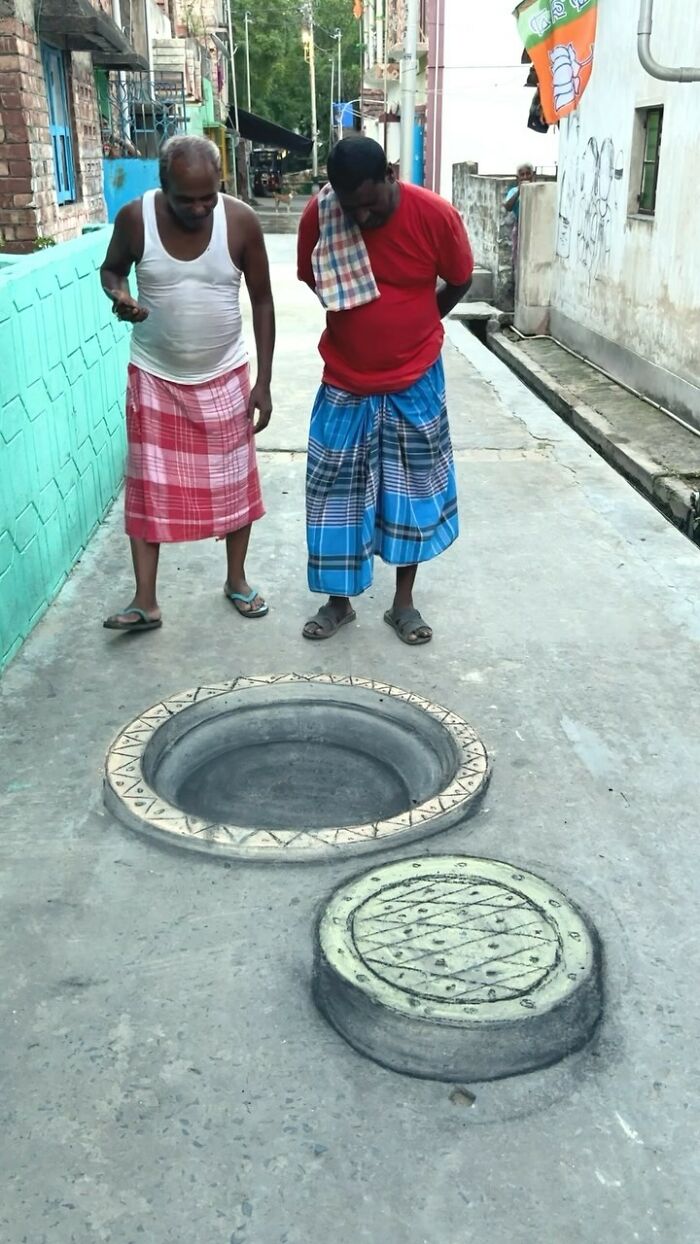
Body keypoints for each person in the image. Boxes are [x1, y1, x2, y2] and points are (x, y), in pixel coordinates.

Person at [296, 136, 474, 645]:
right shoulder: (324, 214)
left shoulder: (434, 215)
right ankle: (338, 603)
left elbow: (459, 279)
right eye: (352, 207)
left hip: (414, 379)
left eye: (370, 203)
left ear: (391, 175)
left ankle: (403, 603)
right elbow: (315, 276)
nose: (362, 217)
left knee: (410, 493)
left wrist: (418, 323)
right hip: (345, 379)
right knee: (334, 495)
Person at [100, 135, 274, 632]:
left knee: (235, 485)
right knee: (147, 489)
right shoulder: (135, 219)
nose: (199, 208)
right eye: (186, 199)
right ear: (163, 186)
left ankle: (237, 581)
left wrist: (262, 381)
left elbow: (262, 300)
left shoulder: (240, 221)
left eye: (208, 196)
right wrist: (121, 296)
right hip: (155, 375)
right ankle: (145, 601)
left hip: (224, 374)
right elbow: (112, 270)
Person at [504, 162, 535, 276]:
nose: (525, 177)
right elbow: (507, 206)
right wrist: (519, 192)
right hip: (520, 226)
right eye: (522, 175)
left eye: (528, 174)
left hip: (535, 227)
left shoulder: (538, 190)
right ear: (518, 178)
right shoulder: (514, 191)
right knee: (517, 257)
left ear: (533, 175)